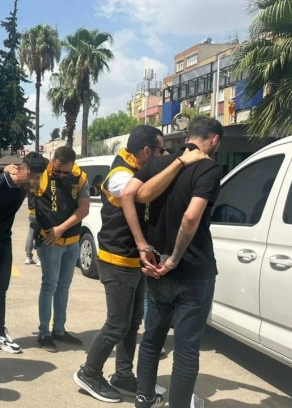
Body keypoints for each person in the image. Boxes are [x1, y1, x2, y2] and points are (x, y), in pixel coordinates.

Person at [74, 125, 206, 403]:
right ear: (146, 151)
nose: (163, 155)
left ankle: (123, 374)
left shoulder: (137, 167)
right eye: (160, 151)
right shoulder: (120, 175)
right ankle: (89, 373)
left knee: (132, 323)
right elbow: (141, 194)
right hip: (117, 258)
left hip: (135, 259)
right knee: (117, 324)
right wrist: (180, 162)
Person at [121, 117, 223, 408]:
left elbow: (129, 195)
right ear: (214, 140)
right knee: (186, 348)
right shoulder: (209, 168)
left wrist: (142, 245)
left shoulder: (156, 163)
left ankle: (144, 398)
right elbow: (191, 217)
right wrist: (175, 259)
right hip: (193, 271)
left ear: (187, 136)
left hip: (156, 268)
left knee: (152, 339)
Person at [0, 152, 48, 359]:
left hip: (5, 241)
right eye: (33, 176)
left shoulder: (24, 187)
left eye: (38, 177)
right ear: (22, 169)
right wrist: (2, 174)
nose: (35, 181)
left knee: (0, 290)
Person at [32, 147, 90, 353]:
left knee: (64, 286)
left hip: (71, 241)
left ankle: (59, 329)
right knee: (49, 285)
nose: (61, 175)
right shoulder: (42, 175)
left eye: (66, 172)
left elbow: (84, 209)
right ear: (52, 162)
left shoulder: (80, 177)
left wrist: (61, 229)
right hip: (49, 241)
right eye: (57, 170)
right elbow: (21, 182)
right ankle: (43, 333)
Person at [24, 193, 41, 266]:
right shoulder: (40, 186)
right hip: (40, 211)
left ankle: (28, 257)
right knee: (40, 234)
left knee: (31, 233)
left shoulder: (30, 186)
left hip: (31, 211)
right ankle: (40, 258)